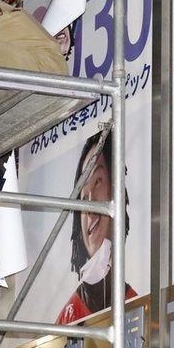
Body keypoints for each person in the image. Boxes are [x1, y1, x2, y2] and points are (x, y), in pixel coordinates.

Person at [56, 129, 136, 324]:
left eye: (98, 181)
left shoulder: (138, 307)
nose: (90, 205)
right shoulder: (68, 318)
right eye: (83, 197)